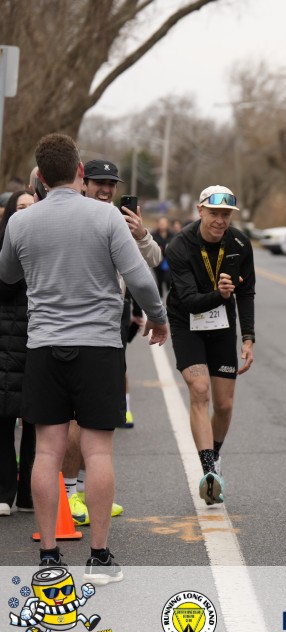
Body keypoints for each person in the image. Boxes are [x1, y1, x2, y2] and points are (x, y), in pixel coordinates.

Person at [0, 133, 168, 581]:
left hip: (44, 346)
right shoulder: (106, 216)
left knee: (46, 452)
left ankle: (49, 558)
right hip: (98, 346)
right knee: (97, 452)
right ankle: (99, 557)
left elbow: (7, 274)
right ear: (79, 170)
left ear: (39, 176)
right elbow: (141, 278)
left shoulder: (21, 222)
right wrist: (159, 318)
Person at [65, 159, 161, 527]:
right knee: (74, 416)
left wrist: (141, 233)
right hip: (74, 325)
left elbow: (154, 260)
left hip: (110, 325)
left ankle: (86, 492)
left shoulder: (119, 222)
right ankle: (69, 495)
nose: (106, 190)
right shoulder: (75, 216)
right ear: (84, 183)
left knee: (98, 418)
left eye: (111, 184)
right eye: (99, 183)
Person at [166, 185, 255, 507]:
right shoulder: (179, 246)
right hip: (187, 322)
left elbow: (247, 292)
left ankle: (214, 457)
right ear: (200, 211)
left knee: (225, 405)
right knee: (200, 390)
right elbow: (190, 301)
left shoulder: (240, 243)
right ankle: (208, 472)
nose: (220, 220)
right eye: (214, 213)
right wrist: (221, 294)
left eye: (226, 215)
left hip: (221, 325)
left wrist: (248, 338)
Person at [0, 191, 36, 515]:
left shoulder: (48, 245)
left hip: (39, 340)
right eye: (19, 207)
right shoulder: (4, 248)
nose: (25, 212)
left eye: (31, 207)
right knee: (3, 418)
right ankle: (4, 492)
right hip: (6, 341)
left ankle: (29, 493)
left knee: (37, 422)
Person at [152, 217, 175, 297]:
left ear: (167, 224)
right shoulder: (153, 235)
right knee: (159, 279)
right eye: (161, 223)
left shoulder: (172, 235)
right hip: (158, 260)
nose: (162, 225)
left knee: (167, 278)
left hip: (168, 260)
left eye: (164, 223)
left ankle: (169, 292)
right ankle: (160, 297)